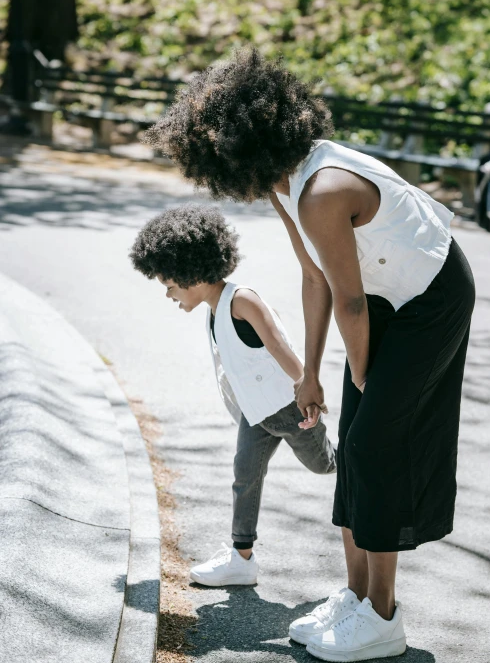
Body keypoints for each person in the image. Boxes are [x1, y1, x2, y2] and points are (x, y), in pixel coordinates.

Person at [143, 48, 476, 662]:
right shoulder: (287, 184)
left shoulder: (322, 189)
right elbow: (315, 277)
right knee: (352, 442)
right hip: (382, 298)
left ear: (232, 149)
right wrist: (312, 375)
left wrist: (359, 373)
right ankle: (355, 598)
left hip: (431, 300)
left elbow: (350, 301)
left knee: (374, 443)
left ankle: (383, 617)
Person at [130, 204, 336, 588]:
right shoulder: (215, 307)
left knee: (324, 465)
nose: (168, 295)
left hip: (292, 409)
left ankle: (365, 464)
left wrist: (308, 387)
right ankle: (242, 559)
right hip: (256, 416)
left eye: (169, 286)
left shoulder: (241, 300)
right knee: (245, 476)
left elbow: (278, 345)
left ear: (191, 274)